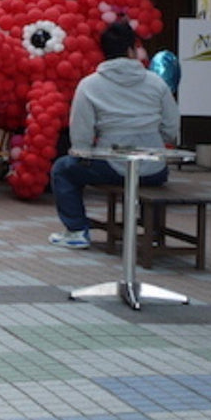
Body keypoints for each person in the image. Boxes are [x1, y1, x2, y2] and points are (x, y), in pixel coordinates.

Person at [48, 21, 180, 249]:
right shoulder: (157, 83)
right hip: (154, 169)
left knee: (63, 169)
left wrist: (88, 152)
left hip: (112, 166)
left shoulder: (90, 85)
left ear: (103, 52)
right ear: (132, 49)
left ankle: (77, 229)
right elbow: (171, 130)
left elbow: (81, 139)